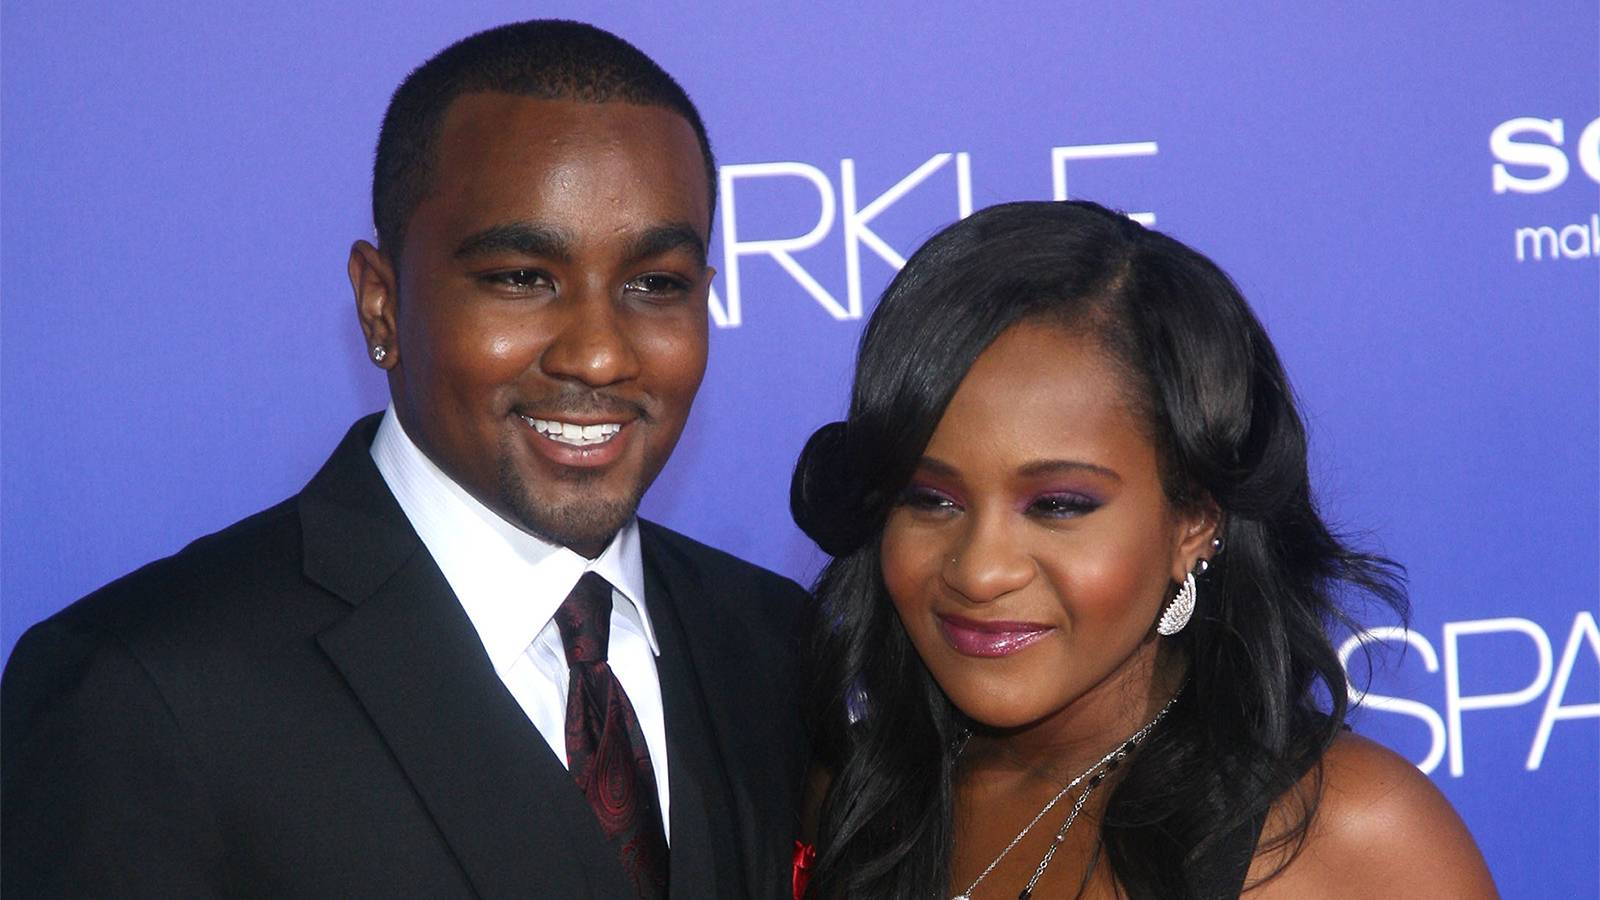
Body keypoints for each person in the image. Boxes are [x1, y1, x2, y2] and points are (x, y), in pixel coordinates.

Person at [2, 20, 808, 899]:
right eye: (521, 278)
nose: (599, 355)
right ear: (381, 305)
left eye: (655, 284)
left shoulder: (775, 643)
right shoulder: (142, 690)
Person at [789, 201, 1496, 898]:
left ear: (1194, 520)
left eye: (1058, 506)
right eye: (930, 499)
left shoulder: (1351, 842)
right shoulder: (847, 801)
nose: (979, 570)